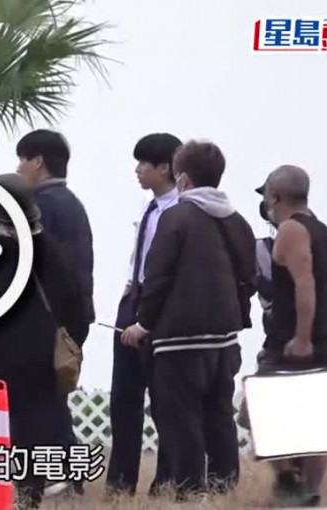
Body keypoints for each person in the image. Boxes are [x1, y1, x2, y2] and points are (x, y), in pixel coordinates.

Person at [121, 140, 256, 501]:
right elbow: (250, 275)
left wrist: (143, 324)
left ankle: (190, 491)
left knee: (182, 419)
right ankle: (224, 488)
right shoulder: (236, 220)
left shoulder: (176, 217)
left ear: (182, 178)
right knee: (219, 415)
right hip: (225, 338)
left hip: (179, 339)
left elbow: (158, 277)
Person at [0, 173, 86, 509]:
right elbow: (76, 312)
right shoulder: (51, 253)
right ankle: (29, 496)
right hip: (39, 364)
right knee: (34, 436)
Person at [256, 165, 327, 507]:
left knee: (260, 409)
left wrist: (302, 337)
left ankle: (289, 482)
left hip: (296, 343)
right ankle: (310, 493)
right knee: (316, 427)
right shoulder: (324, 231)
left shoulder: (291, 229)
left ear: (275, 195)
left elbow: (304, 282)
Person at [15, 129, 93, 496]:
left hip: (43, 321)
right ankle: (69, 478)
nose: (19, 167)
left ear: (38, 161)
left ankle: (49, 480)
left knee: (38, 404)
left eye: (22, 159)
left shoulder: (39, 207)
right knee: (54, 400)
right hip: (73, 319)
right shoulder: (73, 204)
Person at [106, 133, 181, 497]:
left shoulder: (180, 210)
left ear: (164, 167)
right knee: (123, 396)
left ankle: (166, 480)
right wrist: (128, 286)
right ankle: (120, 483)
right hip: (133, 298)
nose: (137, 170)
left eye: (143, 164)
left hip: (161, 307)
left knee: (164, 397)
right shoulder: (146, 206)